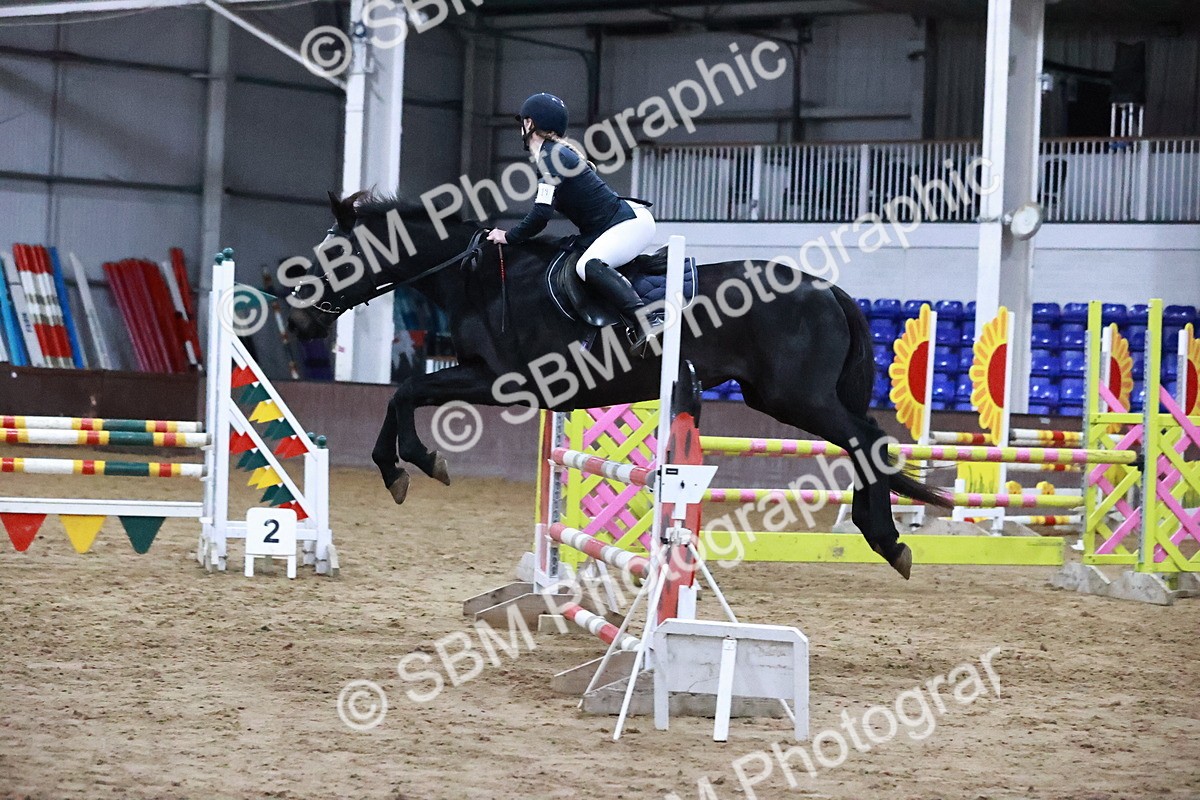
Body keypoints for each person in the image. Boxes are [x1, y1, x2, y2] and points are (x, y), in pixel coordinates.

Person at [487, 92, 663, 352]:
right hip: (611, 226)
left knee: (587, 265)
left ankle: (648, 320)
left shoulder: (551, 157)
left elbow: (540, 215)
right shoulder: (552, 155)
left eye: (522, 122)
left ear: (530, 124)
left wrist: (509, 237)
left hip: (629, 224)